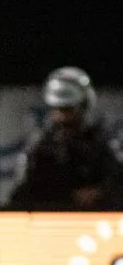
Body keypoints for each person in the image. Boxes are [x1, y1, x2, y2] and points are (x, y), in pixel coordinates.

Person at [8, 67, 121, 210]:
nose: (62, 117)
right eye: (58, 109)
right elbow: (21, 196)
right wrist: (66, 197)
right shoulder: (40, 149)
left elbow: (117, 184)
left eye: (69, 109)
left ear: (83, 106)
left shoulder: (101, 145)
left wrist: (99, 194)